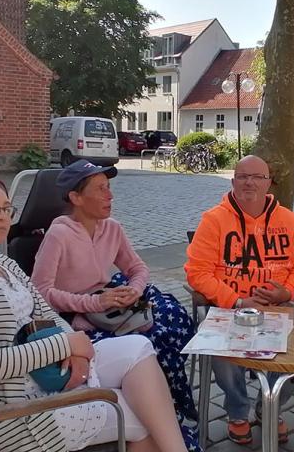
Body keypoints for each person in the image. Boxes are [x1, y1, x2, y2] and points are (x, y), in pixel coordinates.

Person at [0, 174, 188, 452]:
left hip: (44, 376)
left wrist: (77, 351)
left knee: (138, 348)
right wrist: (67, 344)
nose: (1, 216)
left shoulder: (3, 264)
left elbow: (46, 312)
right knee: (145, 417)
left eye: (6, 208)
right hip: (12, 414)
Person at [31, 160, 199, 449]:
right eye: (100, 189)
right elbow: (40, 291)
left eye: (108, 187)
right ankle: (161, 414)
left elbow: (137, 268)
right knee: (151, 338)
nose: (110, 196)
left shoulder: (112, 228)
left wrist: (134, 290)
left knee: (174, 317)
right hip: (77, 312)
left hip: (110, 300)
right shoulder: (58, 235)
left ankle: (169, 405)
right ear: (76, 198)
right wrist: (92, 302)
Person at [185, 155, 294, 445]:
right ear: (233, 181)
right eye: (243, 176)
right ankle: (238, 411)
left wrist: (286, 292)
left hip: (279, 308)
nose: (249, 183)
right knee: (222, 352)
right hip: (231, 309)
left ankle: (269, 407)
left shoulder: (288, 220)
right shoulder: (214, 220)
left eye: (257, 177)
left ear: (269, 183)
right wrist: (238, 301)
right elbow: (197, 272)